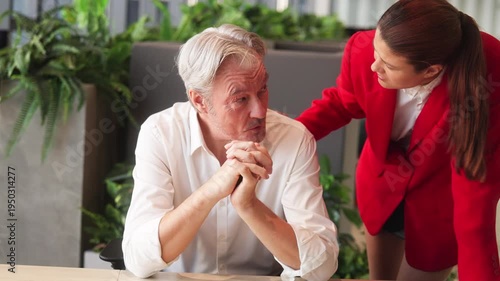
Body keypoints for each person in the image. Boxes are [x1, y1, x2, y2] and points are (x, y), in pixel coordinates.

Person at [296, 1, 500, 281]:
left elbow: (476, 190)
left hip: (441, 200)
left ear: (430, 70)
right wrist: (285, 139)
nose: (373, 65)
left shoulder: (490, 73)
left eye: (389, 65)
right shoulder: (366, 49)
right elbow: (344, 103)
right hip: (382, 185)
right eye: (376, 52)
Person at [122, 24, 339, 280]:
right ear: (199, 101)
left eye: (262, 90)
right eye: (241, 99)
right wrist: (211, 192)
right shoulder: (161, 134)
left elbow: (322, 266)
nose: (260, 111)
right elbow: (138, 259)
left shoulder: (294, 139)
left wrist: (248, 205)